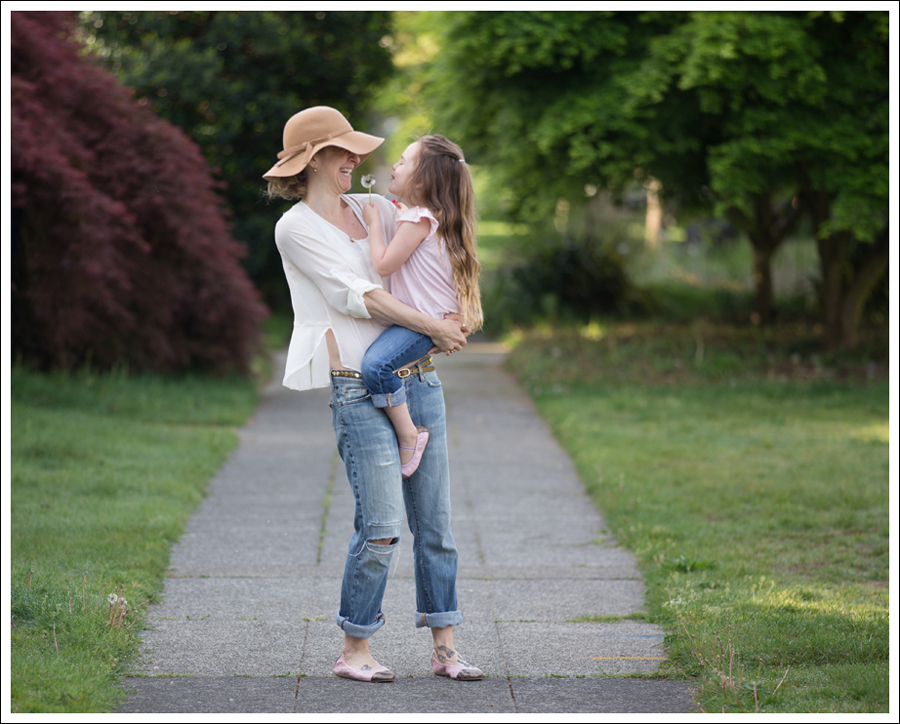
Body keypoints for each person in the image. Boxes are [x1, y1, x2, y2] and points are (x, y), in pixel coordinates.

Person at [262, 106, 483, 683]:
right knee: (382, 526)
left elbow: (433, 219)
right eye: (344, 152)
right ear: (314, 159)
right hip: (358, 390)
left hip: (418, 380)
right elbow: (357, 296)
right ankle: (354, 649)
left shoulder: (369, 206)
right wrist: (433, 327)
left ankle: (446, 650)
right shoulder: (296, 229)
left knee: (435, 526)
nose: (357, 161)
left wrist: (454, 310)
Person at [359, 136, 483, 481]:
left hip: (420, 323)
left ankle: (409, 434)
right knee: (383, 364)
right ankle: (407, 429)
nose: (394, 166)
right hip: (430, 319)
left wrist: (373, 225)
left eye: (402, 161)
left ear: (420, 180)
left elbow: (384, 264)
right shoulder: (430, 217)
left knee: (376, 366)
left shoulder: (417, 219)